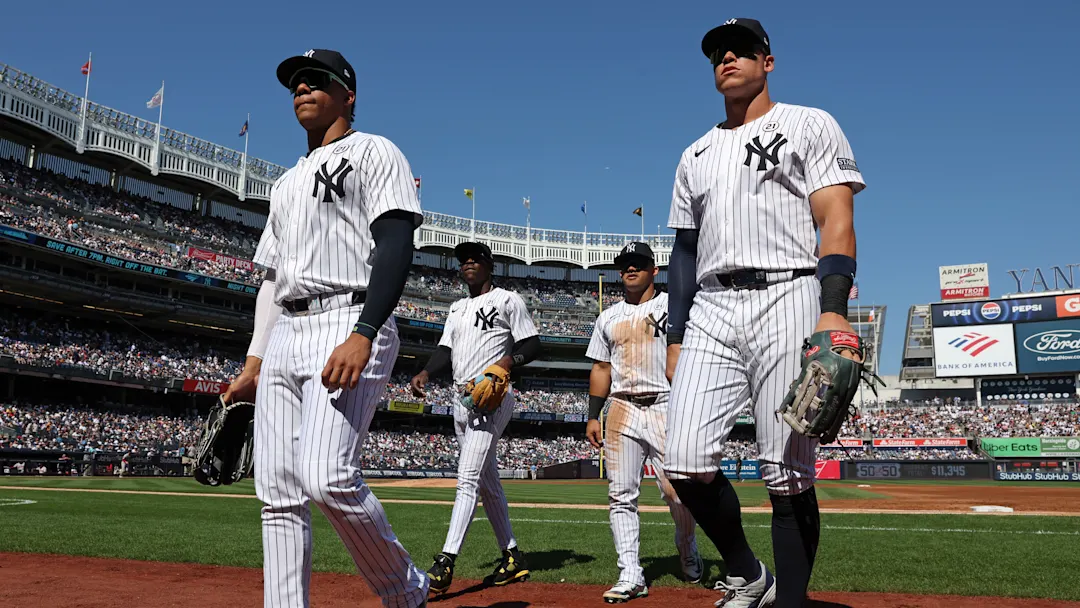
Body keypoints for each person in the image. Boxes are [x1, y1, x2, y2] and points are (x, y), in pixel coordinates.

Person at [662, 19, 867, 608]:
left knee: (786, 469)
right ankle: (749, 572)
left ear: (767, 61)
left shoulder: (808, 123)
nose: (727, 58)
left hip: (789, 291)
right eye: (717, 54)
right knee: (683, 460)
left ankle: (791, 601)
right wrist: (675, 334)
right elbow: (684, 252)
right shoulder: (695, 153)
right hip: (712, 304)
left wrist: (833, 310)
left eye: (741, 50)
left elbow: (835, 218)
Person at [222, 48, 429, 608]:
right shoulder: (285, 182)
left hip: (347, 317)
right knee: (278, 494)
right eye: (295, 83)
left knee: (327, 476)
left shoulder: (374, 150)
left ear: (348, 95)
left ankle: (406, 590)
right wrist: (253, 362)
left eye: (315, 80)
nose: (301, 89)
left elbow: (395, 244)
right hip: (285, 333)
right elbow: (271, 280)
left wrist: (365, 331)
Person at [410, 241, 542, 595]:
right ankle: (512, 556)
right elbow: (445, 349)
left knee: (467, 478)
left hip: (492, 398)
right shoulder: (456, 308)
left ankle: (446, 561)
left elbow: (532, 344)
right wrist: (425, 372)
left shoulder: (507, 300)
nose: (468, 263)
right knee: (487, 482)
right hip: (460, 398)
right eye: (463, 260)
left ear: (488, 265)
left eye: (475, 259)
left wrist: (508, 361)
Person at [585, 242, 702, 604]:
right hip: (622, 407)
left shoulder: (674, 306)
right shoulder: (608, 317)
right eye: (625, 265)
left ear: (654, 270)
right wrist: (592, 415)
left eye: (638, 263)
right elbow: (601, 367)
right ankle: (630, 573)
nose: (630, 269)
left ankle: (687, 545)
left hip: (667, 404)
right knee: (620, 495)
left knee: (676, 490)